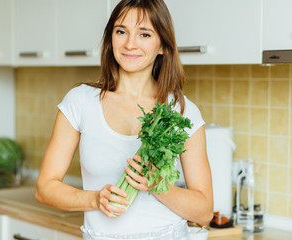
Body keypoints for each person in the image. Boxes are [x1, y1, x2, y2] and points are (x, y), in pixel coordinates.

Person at [35, 0, 213, 239]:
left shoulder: (180, 111)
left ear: (162, 45)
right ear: (111, 39)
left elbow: (203, 212)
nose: (130, 44)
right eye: (121, 31)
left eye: (145, 34)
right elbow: (45, 189)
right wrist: (96, 199)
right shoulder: (80, 102)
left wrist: (156, 184)